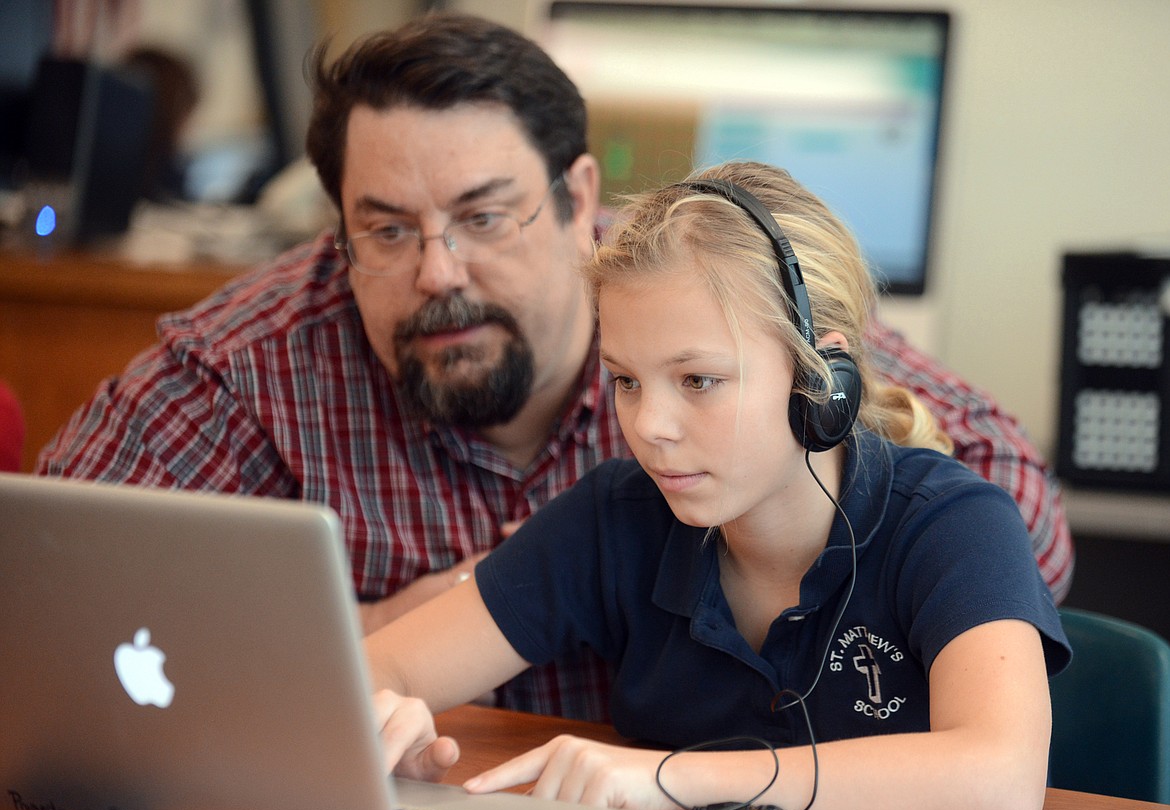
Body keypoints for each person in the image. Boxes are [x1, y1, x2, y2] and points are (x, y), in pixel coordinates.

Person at [36, 14, 1071, 722]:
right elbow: (42, 591)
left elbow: (1005, 493)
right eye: (385, 230)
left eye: (484, 216)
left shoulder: (693, 292)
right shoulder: (249, 365)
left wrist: (793, 584)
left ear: (581, 201)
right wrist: (400, 615)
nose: (439, 270)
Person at [363, 161, 1071, 810]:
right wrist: (380, 720)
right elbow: (370, 670)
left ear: (821, 376)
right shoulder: (615, 518)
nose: (648, 427)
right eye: (626, 380)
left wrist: (674, 778)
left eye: (697, 380)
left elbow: (1000, 780)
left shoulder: (953, 523)